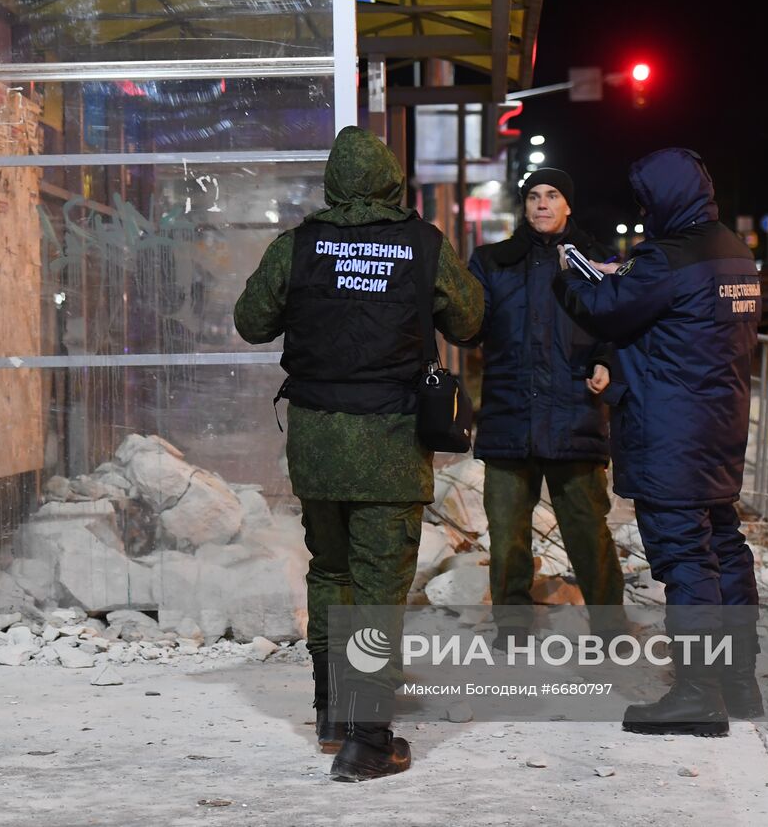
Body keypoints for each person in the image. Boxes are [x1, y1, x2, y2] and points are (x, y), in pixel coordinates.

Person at [233, 126, 483, 782]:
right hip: (391, 445)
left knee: (330, 574)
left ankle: (332, 714)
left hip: (317, 443)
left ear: (332, 183)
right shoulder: (423, 245)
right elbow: (468, 321)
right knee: (377, 590)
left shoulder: (298, 246)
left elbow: (251, 321)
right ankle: (369, 740)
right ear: (391, 179)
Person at [556, 148, 761, 738]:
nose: (643, 214)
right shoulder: (732, 250)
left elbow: (606, 312)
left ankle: (698, 694)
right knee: (724, 544)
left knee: (684, 557)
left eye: (646, 202)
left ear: (665, 199)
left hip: (672, 428)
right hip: (719, 422)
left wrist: (569, 274)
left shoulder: (668, 257)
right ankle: (737, 681)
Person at [466, 168, 625, 647]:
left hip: (573, 411)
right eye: (533, 196)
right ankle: (512, 627)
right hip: (508, 415)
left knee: (587, 530)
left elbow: (618, 324)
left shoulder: (596, 260)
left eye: (552, 195)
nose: (542, 204)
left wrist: (607, 361)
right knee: (508, 533)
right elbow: (470, 327)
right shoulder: (493, 261)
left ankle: (610, 627)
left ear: (568, 204)